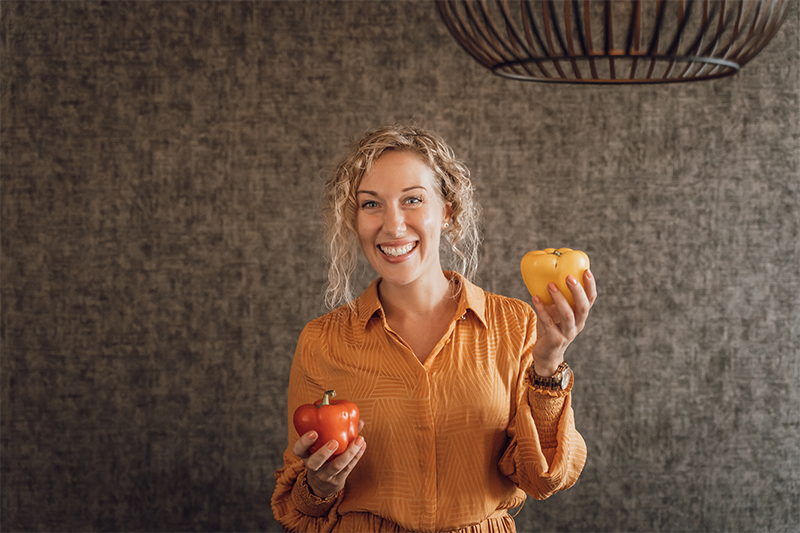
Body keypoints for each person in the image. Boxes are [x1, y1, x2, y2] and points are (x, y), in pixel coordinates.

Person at [271, 125, 596, 532]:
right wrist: (318, 484)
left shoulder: (515, 324)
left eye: (412, 200)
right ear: (354, 220)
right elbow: (297, 510)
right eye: (371, 204)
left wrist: (548, 364)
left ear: (448, 212)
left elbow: (542, 478)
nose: (392, 226)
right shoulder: (322, 340)